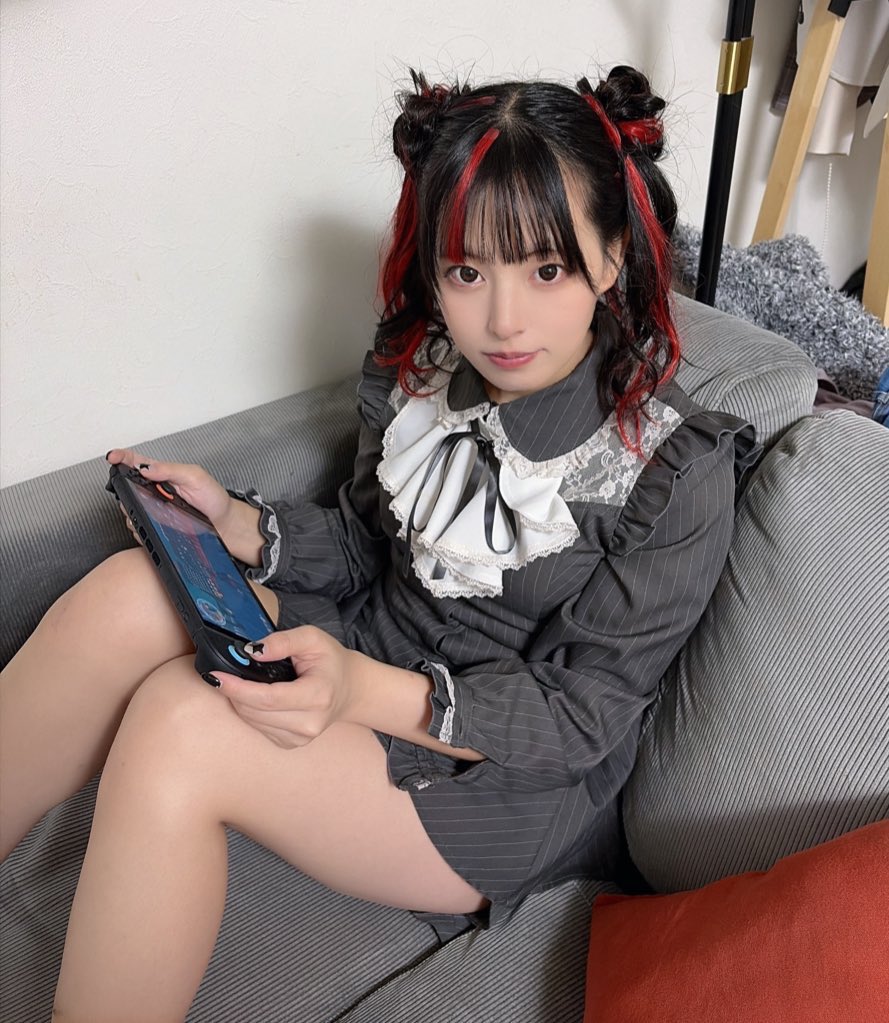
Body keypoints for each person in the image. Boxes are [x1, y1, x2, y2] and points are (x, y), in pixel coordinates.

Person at [0, 65, 757, 1021]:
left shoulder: (673, 467)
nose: (503, 319)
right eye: (467, 272)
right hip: (369, 640)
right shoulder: (424, 367)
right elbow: (371, 545)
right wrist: (235, 523)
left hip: (500, 775)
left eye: (546, 269)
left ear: (611, 258)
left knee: (181, 723)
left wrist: (361, 692)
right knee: (128, 591)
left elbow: (580, 717)